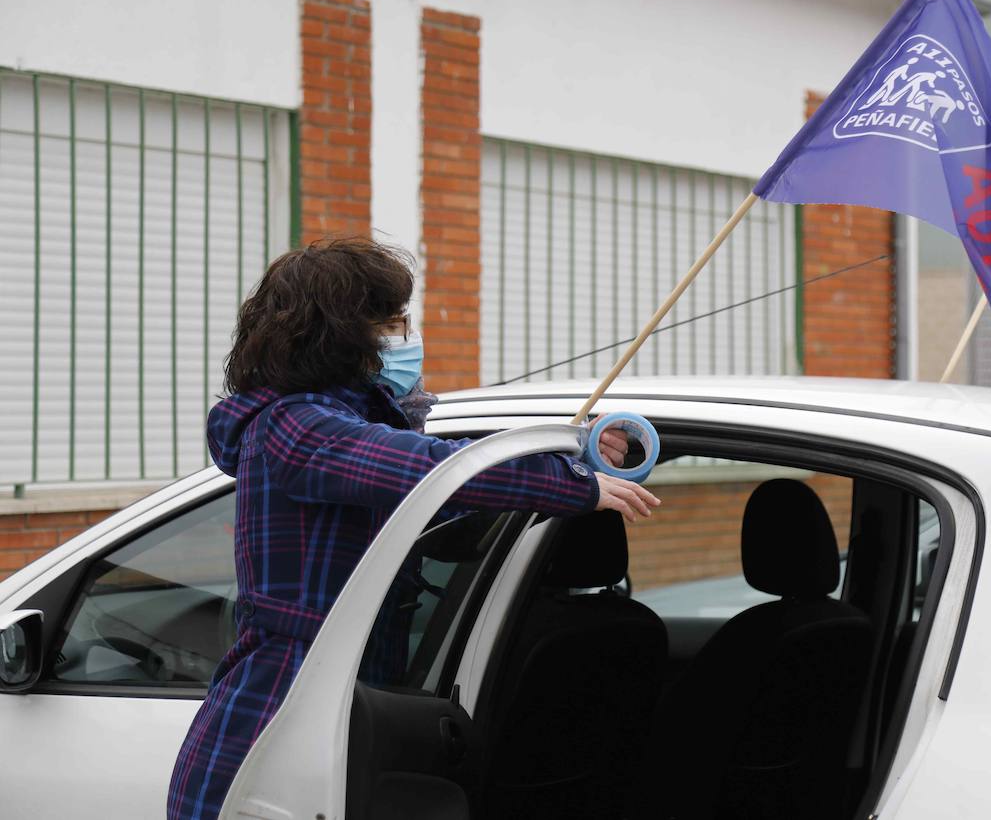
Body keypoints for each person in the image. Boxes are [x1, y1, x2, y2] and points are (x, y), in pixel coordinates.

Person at [166, 238, 658, 820]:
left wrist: (576, 445)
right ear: (341, 333)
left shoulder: (340, 425)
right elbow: (434, 471)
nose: (406, 336)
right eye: (393, 322)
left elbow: (438, 501)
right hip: (284, 699)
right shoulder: (291, 427)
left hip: (358, 690)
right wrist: (572, 482)